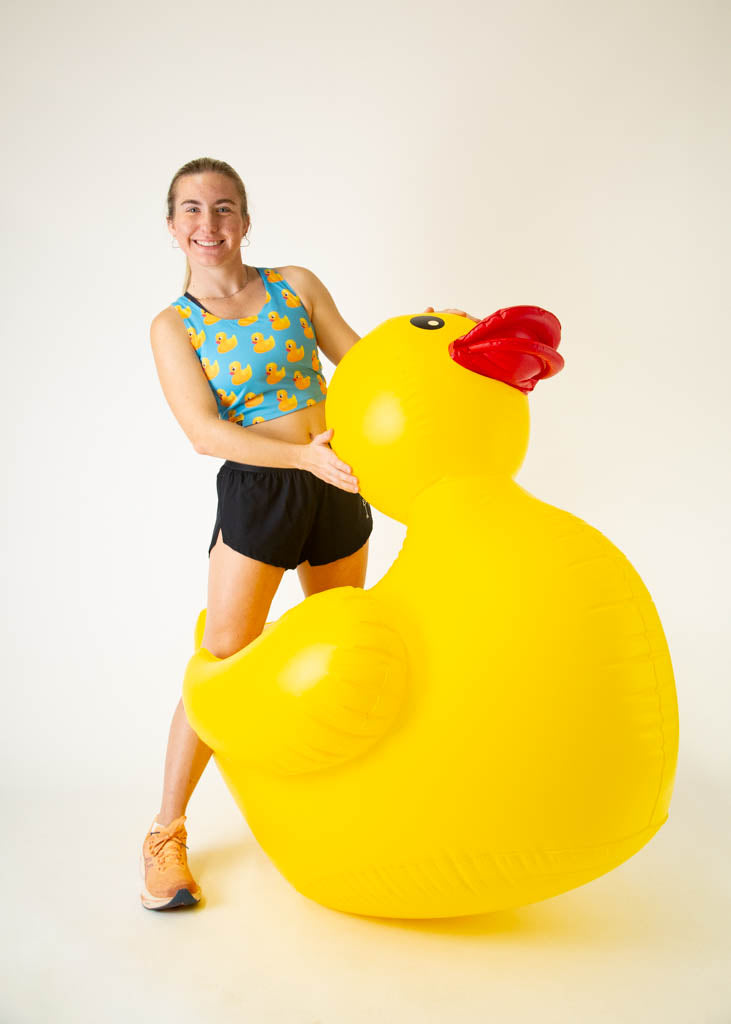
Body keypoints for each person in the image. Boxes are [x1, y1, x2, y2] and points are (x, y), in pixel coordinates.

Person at [141, 156, 477, 911]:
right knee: (224, 660)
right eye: (192, 210)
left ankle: (346, 812)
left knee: (342, 654)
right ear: (172, 228)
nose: (209, 223)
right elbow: (203, 432)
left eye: (224, 207)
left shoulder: (294, 285)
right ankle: (165, 833)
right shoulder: (175, 325)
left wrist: (434, 345)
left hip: (337, 486)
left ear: (245, 221)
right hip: (262, 490)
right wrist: (298, 457)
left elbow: (359, 368)